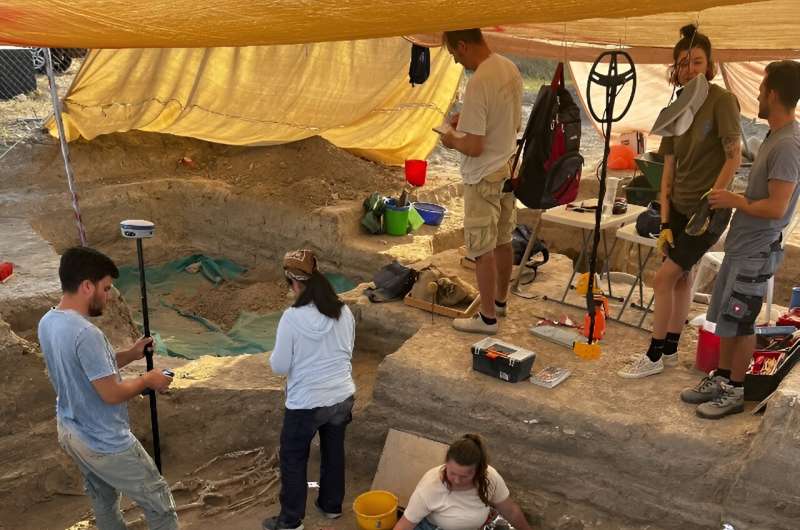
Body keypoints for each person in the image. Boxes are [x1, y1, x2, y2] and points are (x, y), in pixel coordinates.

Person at [619, 24, 742, 378]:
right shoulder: (676, 107)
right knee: (682, 278)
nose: (690, 69)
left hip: (710, 211)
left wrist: (711, 201)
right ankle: (670, 349)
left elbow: (733, 157)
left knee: (662, 278)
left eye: (697, 61)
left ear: (710, 65)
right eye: (683, 63)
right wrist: (664, 218)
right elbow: (667, 167)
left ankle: (654, 356)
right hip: (681, 207)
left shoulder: (721, 101)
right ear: (676, 68)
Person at [681, 60, 800, 418]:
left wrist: (734, 200)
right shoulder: (773, 136)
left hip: (757, 249)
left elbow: (778, 207)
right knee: (728, 319)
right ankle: (722, 378)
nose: (759, 96)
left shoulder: (788, 145)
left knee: (743, 320)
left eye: (762, 90)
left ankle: (736, 390)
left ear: (774, 94)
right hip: (743, 245)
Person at [37, 246, 177, 530]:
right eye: (106, 288)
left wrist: (131, 354)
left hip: (71, 431)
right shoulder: (87, 333)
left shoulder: (49, 321)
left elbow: (90, 368)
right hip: (104, 441)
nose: (109, 296)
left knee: (103, 499)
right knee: (159, 502)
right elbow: (110, 393)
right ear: (87, 286)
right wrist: (148, 380)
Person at [262, 249, 356, 530]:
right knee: (333, 450)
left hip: (306, 402)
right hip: (341, 396)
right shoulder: (343, 309)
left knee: (293, 457)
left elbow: (279, 366)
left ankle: (290, 520)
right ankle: (331, 506)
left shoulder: (292, 318)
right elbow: (348, 351)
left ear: (294, 283)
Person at [439, 28, 523, 335]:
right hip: (506, 167)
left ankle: (487, 318)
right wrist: (469, 123)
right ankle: (500, 302)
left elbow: (473, 146)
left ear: (462, 45)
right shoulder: (509, 68)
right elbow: (510, 123)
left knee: (481, 248)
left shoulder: (478, 81)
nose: (458, 61)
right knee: (503, 239)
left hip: (483, 174)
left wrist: (450, 139)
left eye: (455, 54)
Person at [393, 434, 534, 530]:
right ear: (446, 464)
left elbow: (510, 511)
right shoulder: (430, 487)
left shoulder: (490, 477)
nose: (456, 480)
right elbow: (405, 524)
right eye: (452, 473)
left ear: (479, 471)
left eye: (465, 476)